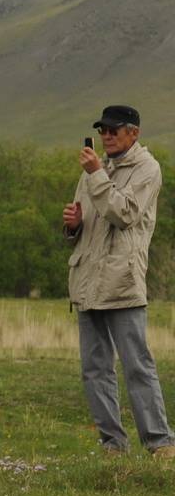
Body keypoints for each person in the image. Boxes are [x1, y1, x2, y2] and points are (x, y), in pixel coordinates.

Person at [64, 105, 174, 459]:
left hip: (122, 283)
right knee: (94, 369)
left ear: (134, 133)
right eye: (103, 130)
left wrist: (96, 173)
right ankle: (113, 444)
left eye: (114, 130)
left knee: (137, 364)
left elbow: (125, 214)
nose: (107, 136)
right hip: (87, 281)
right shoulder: (93, 170)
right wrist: (72, 226)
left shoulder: (147, 169)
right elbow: (87, 228)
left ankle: (159, 442)